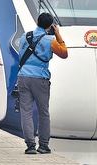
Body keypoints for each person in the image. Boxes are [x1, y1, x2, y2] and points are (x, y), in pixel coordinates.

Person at [17, 12, 68, 154]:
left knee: (26, 112)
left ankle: (30, 145)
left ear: (37, 21)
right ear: (51, 25)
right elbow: (64, 53)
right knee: (43, 113)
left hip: (23, 77)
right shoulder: (50, 40)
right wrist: (57, 34)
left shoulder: (24, 36)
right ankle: (43, 145)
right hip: (40, 79)